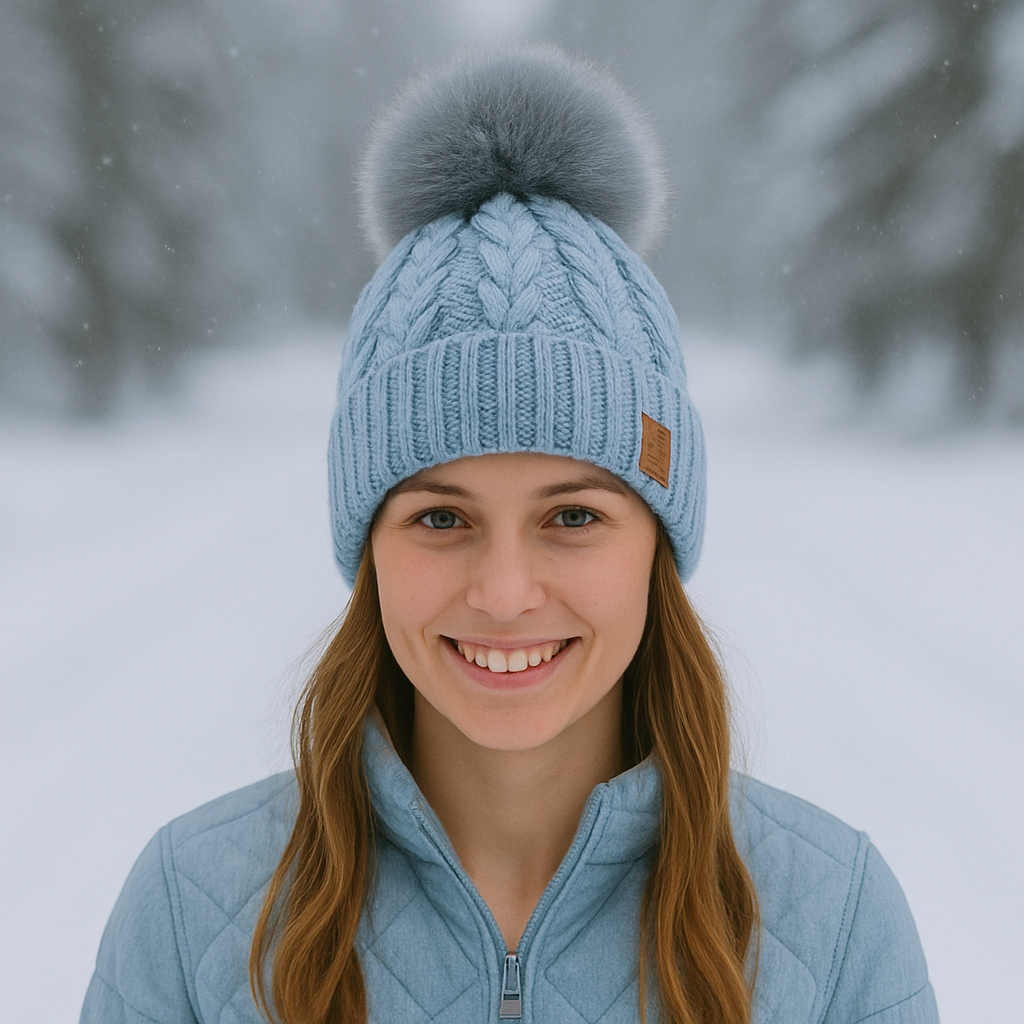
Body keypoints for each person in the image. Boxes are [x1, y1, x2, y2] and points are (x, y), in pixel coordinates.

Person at [80, 47, 939, 1024]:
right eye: (440, 518)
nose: (503, 589)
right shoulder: (192, 908)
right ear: (370, 549)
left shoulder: (831, 916)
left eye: (571, 516)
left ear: (657, 542)